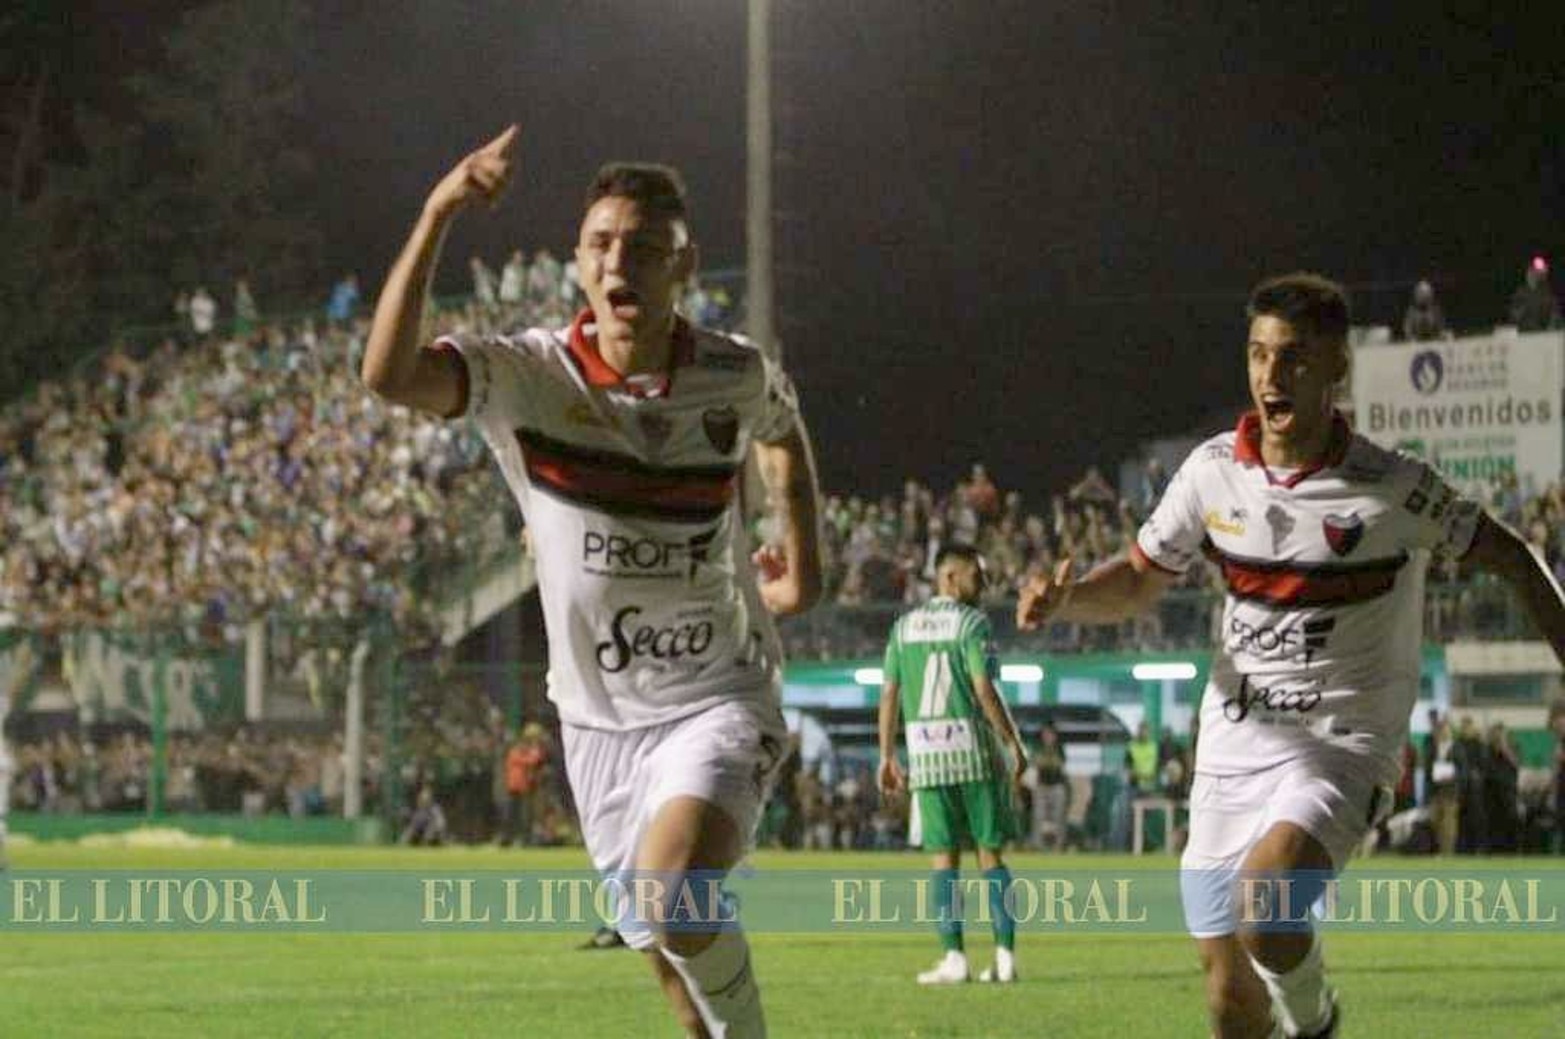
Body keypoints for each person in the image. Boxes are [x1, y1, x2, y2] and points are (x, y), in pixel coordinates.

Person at [361, 126, 824, 1039]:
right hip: (595, 721)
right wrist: (438, 211)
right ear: (577, 262)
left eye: (644, 248)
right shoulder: (529, 377)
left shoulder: (731, 373)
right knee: (670, 966)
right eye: (602, 243)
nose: (620, 262)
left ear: (682, 264)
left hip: (717, 694)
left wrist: (802, 570)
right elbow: (390, 375)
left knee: (674, 893)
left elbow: (783, 434)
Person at [1017, 272, 1565, 1039]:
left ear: (1336, 366)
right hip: (1232, 744)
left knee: (1266, 902)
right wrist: (1065, 599)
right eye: (1257, 354)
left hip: (1342, 742)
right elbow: (1139, 579)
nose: (1269, 375)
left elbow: (1514, 558)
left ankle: (1315, 1024)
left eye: (1293, 357)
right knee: (1227, 1000)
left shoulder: (1393, 488)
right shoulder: (1211, 472)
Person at [877, 545, 1027, 985]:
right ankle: (1004, 957)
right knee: (990, 855)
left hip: (927, 760)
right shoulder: (973, 624)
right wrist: (1012, 742)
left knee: (943, 861)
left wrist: (886, 755)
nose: (983, 585)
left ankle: (954, 959)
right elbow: (984, 689)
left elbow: (889, 694)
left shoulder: (902, 629)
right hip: (975, 756)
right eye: (976, 577)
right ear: (949, 577)